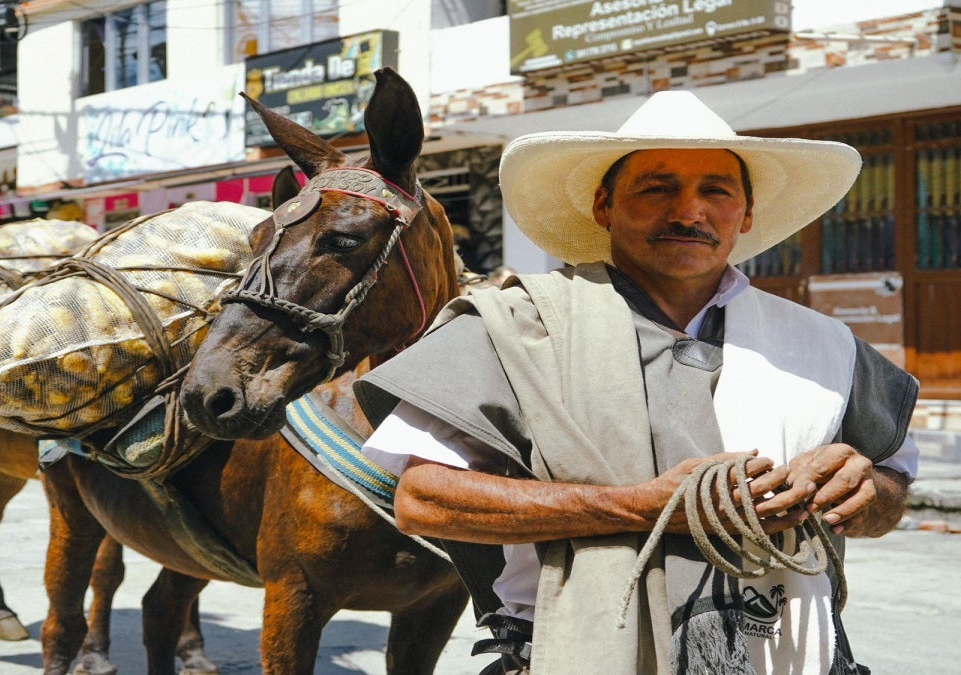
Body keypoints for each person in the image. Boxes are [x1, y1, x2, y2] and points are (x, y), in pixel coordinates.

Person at [353, 91, 918, 674]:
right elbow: (423, 501)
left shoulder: (822, 345)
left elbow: (893, 487)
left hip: (786, 654)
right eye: (657, 187)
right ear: (604, 205)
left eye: (716, 191)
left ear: (745, 215)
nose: (689, 211)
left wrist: (866, 491)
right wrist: (634, 509)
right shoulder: (519, 327)